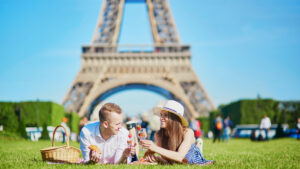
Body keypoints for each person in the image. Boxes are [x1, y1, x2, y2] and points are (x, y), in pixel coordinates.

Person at [140, 100, 214, 165]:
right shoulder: (159, 135)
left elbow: (179, 156)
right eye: (161, 115)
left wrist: (155, 148)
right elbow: (169, 161)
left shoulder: (188, 132)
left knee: (192, 150)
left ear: (174, 118)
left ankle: (198, 145)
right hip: (180, 157)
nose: (161, 118)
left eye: (165, 115)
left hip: (191, 155)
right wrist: (157, 159)